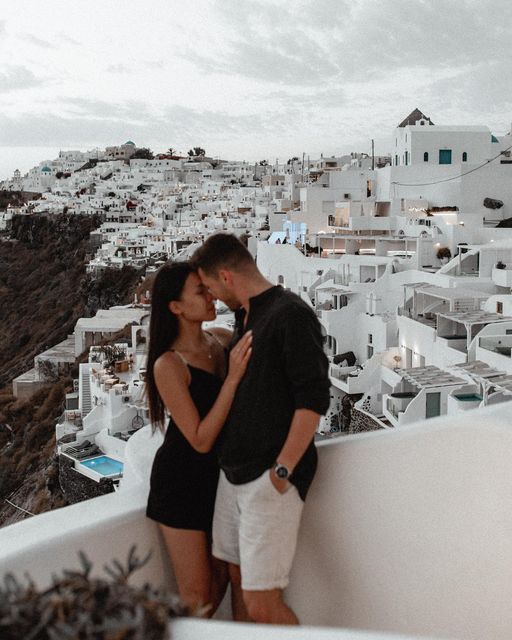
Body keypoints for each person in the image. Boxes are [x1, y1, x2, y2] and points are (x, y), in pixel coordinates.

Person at [191, 234, 330, 625]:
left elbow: (313, 399)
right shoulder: (246, 316)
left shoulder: (290, 315)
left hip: (267, 480)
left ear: (225, 276)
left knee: (262, 603)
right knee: (235, 577)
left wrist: (282, 472)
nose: (214, 298)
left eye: (212, 288)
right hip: (233, 476)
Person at [145, 261, 252, 616]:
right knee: (197, 596)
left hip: (215, 480)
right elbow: (200, 438)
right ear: (175, 307)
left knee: (222, 577)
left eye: (207, 289)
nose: (209, 297)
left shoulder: (219, 342)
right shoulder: (169, 365)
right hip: (180, 483)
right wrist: (233, 379)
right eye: (199, 292)